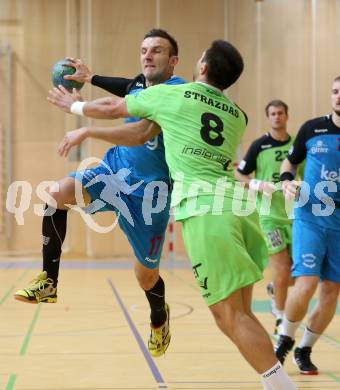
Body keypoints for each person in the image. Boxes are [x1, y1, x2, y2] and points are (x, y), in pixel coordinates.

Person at [48, 40, 298, 390]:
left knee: (231, 316)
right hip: (239, 210)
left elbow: (117, 106)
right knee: (236, 315)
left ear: (203, 69)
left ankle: (284, 387)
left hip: (206, 213)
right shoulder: (238, 115)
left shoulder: (176, 95)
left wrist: (73, 104)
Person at [14, 28, 186, 358]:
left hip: (149, 197)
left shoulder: (177, 93)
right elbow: (119, 94)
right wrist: (90, 79)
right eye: (144, 49)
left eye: (157, 51)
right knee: (57, 193)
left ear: (173, 61)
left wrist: (81, 114)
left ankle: (159, 319)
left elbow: (136, 132)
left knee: (146, 276)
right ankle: (49, 282)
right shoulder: (140, 85)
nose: (148, 55)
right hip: (114, 173)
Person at [273, 76, 340, 375]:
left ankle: (304, 349)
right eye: (336, 91)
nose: (339, 96)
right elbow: (289, 163)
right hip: (310, 214)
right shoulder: (312, 128)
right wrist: (287, 183)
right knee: (307, 282)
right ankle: (284, 340)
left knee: (331, 291)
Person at [235, 100, 294, 336]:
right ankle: (280, 318)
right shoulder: (259, 145)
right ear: (268, 118)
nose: (277, 117)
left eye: (280, 113)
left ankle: (275, 289)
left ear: (287, 116)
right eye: (272, 114)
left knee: (299, 275)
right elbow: (239, 173)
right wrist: (256, 184)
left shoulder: (296, 145)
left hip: (295, 215)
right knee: (282, 270)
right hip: (270, 217)